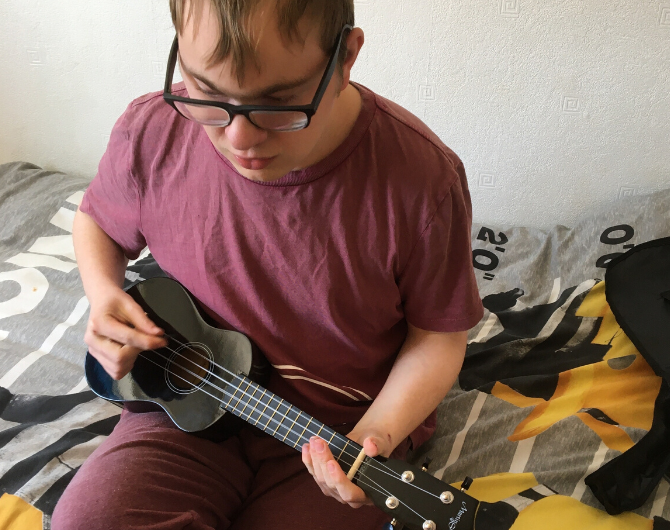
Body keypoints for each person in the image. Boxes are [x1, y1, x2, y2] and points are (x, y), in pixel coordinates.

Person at [52, 0, 483, 528]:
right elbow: (96, 220)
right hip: (188, 398)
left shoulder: (422, 182)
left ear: (346, 58)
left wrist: (379, 434)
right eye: (206, 94)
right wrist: (103, 294)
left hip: (336, 431)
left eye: (277, 104)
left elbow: (437, 337)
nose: (240, 138)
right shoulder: (153, 131)